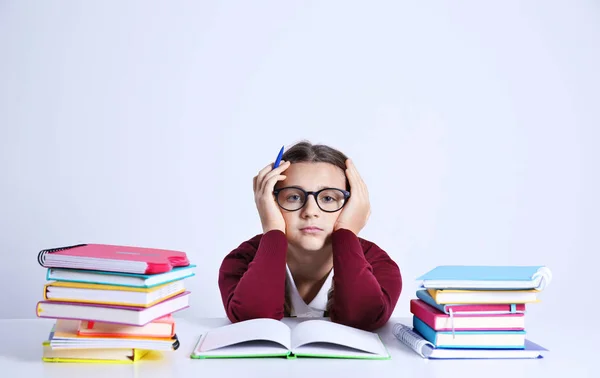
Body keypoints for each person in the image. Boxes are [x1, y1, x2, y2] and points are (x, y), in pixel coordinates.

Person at [218, 140, 402, 331]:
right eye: (293, 197)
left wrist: (347, 231)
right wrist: (272, 229)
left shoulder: (379, 264)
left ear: (353, 204)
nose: (311, 211)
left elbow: (362, 319)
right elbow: (252, 321)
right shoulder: (240, 260)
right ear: (270, 203)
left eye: (328, 198)